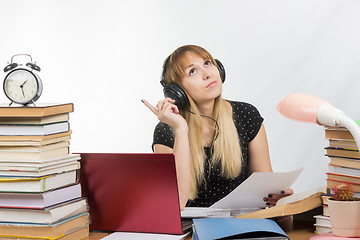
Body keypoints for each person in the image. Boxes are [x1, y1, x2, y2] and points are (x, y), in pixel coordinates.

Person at [142, 45, 293, 210]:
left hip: (243, 223)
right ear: (177, 91)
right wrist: (181, 129)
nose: (207, 74)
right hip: (191, 229)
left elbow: (266, 191)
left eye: (207, 63)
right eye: (193, 71)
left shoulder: (246, 115)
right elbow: (176, 203)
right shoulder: (167, 131)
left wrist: (279, 199)